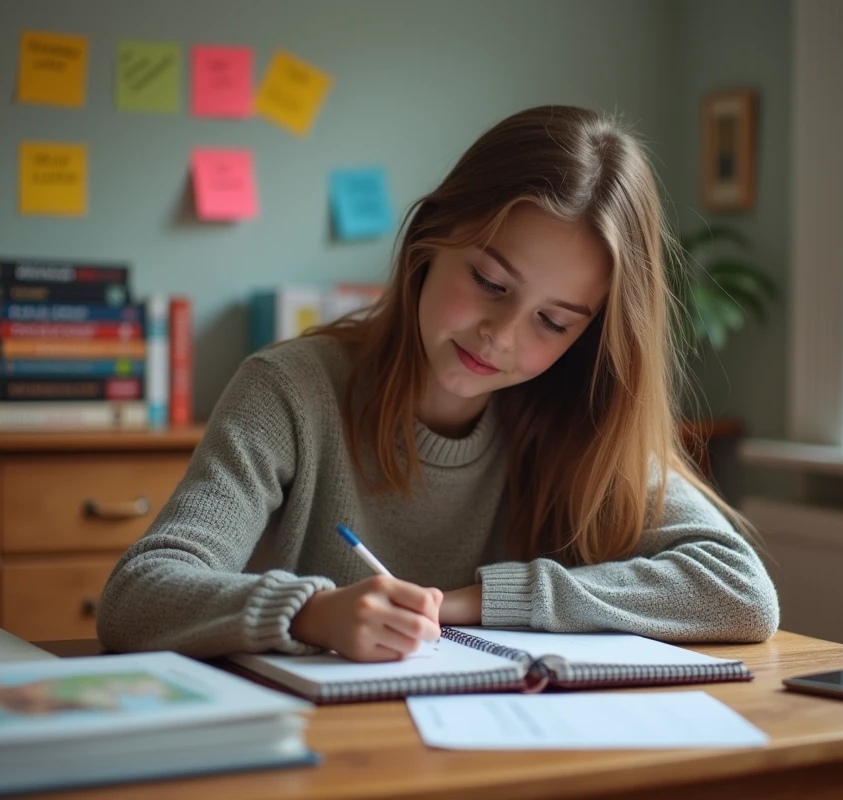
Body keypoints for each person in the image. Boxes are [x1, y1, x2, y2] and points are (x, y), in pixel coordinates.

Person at [97, 105, 779, 662]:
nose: (502, 336)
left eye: (553, 320)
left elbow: (740, 590)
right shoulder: (287, 392)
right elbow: (137, 596)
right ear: (429, 239)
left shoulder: (581, 417)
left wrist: (467, 602)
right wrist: (310, 613)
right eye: (489, 282)